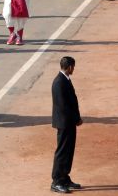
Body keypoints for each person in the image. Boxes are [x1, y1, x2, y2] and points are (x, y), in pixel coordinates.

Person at [51, 56, 83, 194]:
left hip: (69, 122)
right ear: (69, 67)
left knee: (68, 151)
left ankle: (64, 178)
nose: (74, 69)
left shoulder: (64, 79)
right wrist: (76, 118)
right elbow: (63, 106)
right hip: (65, 123)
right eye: (73, 67)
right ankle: (57, 181)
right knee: (62, 152)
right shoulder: (59, 82)